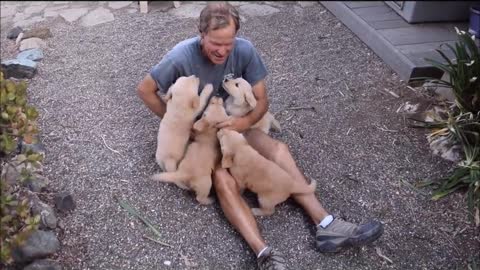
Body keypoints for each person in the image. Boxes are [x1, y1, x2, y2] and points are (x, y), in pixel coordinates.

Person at [136, 2, 384, 269]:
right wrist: (178, 124)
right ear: (201, 34)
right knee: (222, 178)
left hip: (234, 125)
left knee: (278, 151)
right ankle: (263, 253)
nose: (222, 51)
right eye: (215, 43)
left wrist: (244, 122)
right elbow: (145, 90)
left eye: (228, 43)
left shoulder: (245, 50)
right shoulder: (180, 56)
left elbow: (262, 100)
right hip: (202, 133)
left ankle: (326, 225)